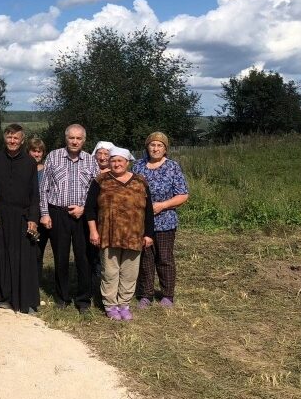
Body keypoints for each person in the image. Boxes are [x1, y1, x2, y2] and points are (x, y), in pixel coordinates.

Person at [85, 147, 154, 321]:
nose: (116, 164)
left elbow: (149, 211)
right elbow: (90, 209)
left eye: (120, 161)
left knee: (129, 273)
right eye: (113, 160)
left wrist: (148, 234)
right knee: (110, 272)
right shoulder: (100, 181)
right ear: (109, 162)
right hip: (109, 234)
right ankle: (110, 305)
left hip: (134, 235)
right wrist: (93, 231)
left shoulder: (140, 181)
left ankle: (124, 304)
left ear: (127, 162)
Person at [39, 124, 100, 312]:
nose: (74, 141)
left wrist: (84, 209)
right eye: (71, 138)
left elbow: (97, 192)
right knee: (61, 257)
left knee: (84, 258)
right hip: (58, 213)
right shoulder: (54, 156)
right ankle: (62, 297)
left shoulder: (91, 161)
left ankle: (83, 300)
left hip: (83, 216)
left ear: (84, 140)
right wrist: (44, 213)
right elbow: (44, 188)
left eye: (78, 138)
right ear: (66, 138)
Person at [0, 124, 40, 314]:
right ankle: (2, 297)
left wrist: (33, 218)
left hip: (21, 216)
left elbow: (35, 194)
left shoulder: (30, 163)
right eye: (9, 137)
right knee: (0, 255)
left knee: (22, 258)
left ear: (22, 140)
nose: (12, 141)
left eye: (16, 138)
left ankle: (24, 299)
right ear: (4, 138)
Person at [133, 131, 189, 308]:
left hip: (165, 221)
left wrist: (162, 205)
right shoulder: (138, 166)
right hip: (142, 222)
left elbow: (182, 195)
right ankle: (146, 294)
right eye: (152, 145)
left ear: (165, 149)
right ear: (147, 146)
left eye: (159, 145)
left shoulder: (172, 167)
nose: (155, 148)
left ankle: (167, 295)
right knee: (145, 259)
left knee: (164, 258)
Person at [27, 137, 50, 289]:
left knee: (38, 249)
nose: (36, 154)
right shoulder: (22, 169)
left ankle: (36, 282)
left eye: (39, 151)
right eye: (33, 151)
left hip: (43, 214)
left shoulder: (47, 170)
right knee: (27, 248)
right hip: (27, 214)